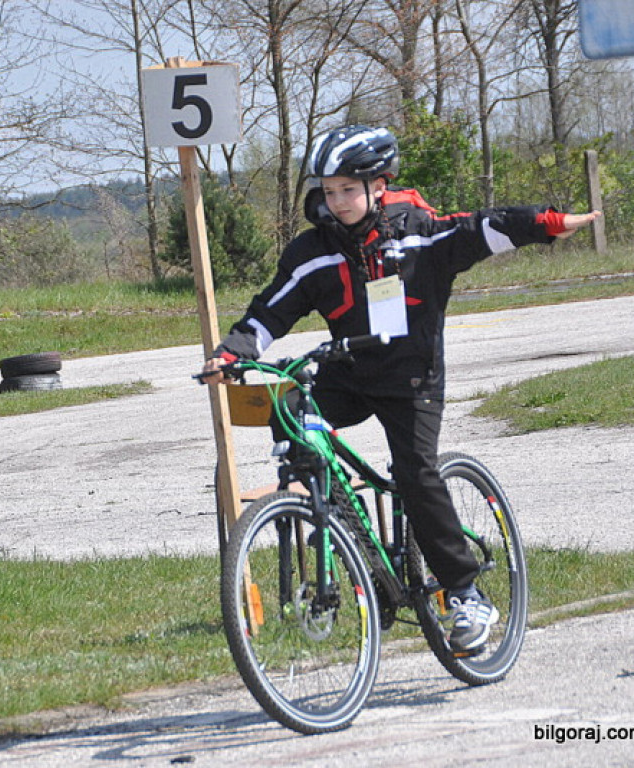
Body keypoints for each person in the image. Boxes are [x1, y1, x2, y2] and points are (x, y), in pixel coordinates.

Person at [202, 125, 601, 654]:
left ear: (379, 184)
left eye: (349, 189)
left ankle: (464, 592)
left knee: (415, 472)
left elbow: (486, 227)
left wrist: (549, 223)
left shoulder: (418, 231)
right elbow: (270, 310)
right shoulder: (312, 251)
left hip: (413, 376)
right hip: (350, 369)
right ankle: (336, 521)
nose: (337, 201)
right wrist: (232, 352)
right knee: (290, 405)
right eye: (328, 189)